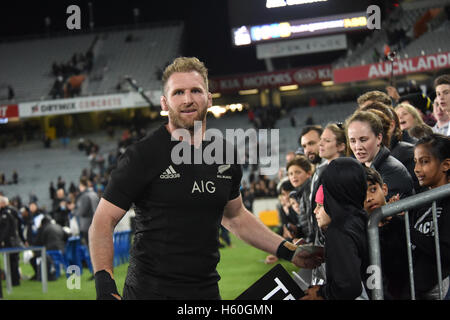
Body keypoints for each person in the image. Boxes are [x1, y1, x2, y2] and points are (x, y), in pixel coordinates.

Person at [89, 57, 323, 300]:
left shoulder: (225, 153)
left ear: (209, 98)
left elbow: (236, 217)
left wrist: (289, 251)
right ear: (164, 103)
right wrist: (105, 287)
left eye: (195, 91)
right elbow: (103, 221)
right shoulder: (142, 155)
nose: (188, 99)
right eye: (178, 92)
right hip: (149, 292)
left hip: (206, 293)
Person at [301, 158, 370, 300]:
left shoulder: (339, 229)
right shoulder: (363, 218)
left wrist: (321, 294)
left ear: (332, 190)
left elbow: (349, 286)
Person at [410, 133, 450, 299]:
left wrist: (405, 229)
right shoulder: (418, 200)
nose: (417, 169)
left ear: (446, 165)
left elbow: (446, 250)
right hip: (420, 289)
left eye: (425, 161)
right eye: (416, 162)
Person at [363, 167, 410, 299]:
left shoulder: (401, 222)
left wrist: (395, 219)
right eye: (362, 194)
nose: (369, 198)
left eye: (373, 190)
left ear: (384, 189)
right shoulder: (363, 235)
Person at [346, 110, 414, 200]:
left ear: (379, 138)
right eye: (353, 141)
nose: (357, 147)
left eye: (363, 140)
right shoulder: (359, 169)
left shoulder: (392, 172)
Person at [73, 176, 99, 246]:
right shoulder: (94, 194)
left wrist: (74, 211)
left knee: (90, 247)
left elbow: (81, 212)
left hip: (87, 225)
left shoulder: (85, 196)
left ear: (82, 185)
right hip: (95, 223)